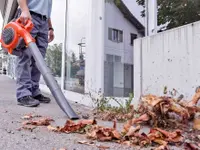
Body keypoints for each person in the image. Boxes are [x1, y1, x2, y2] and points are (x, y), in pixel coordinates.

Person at [15, 0, 54, 107]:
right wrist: (24, 10)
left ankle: (33, 91)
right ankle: (23, 93)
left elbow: (46, 9)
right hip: (30, 15)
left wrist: (50, 27)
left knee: (39, 59)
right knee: (25, 55)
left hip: (44, 21)